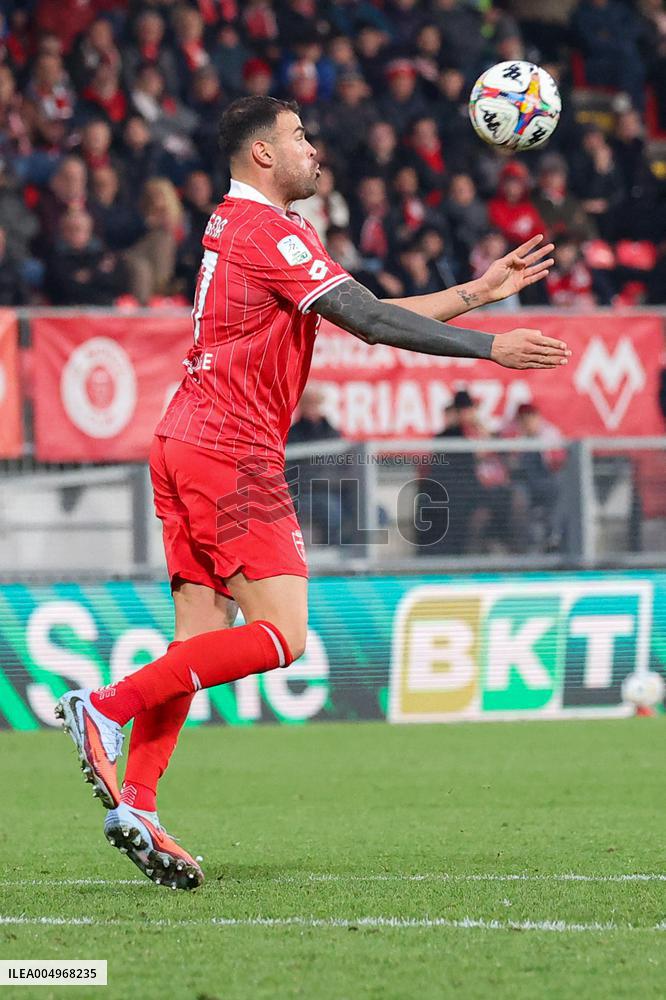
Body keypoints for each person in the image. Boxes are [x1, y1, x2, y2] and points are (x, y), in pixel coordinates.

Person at [56, 95, 567, 891]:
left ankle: (142, 805)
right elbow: (368, 322)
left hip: (184, 440)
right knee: (283, 634)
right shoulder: (267, 231)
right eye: (300, 135)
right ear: (263, 154)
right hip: (231, 449)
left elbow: (363, 313)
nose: (313, 146)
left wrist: (474, 291)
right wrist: (490, 347)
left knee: (198, 641)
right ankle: (106, 707)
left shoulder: (248, 229)